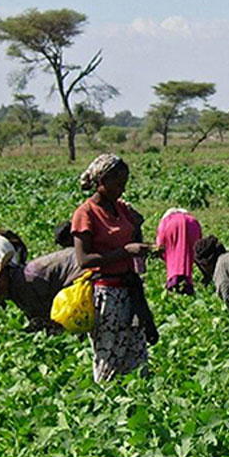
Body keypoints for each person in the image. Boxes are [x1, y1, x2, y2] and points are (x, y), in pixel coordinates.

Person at [70, 154, 156, 381]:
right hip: (106, 294)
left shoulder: (122, 209)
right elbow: (84, 259)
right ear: (102, 182)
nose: (122, 189)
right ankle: (105, 403)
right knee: (108, 355)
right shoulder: (85, 213)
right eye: (118, 183)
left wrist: (139, 229)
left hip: (130, 289)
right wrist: (125, 252)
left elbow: (132, 237)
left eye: (124, 183)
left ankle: (138, 404)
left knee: (137, 353)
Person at [0, 247, 82, 331]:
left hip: (82, 271)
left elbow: (47, 317)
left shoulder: (25, 282)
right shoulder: (15, 283)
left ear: (2, 276)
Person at [156, 208, 202, 294]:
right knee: (187, 253)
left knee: (173, 258)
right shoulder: (192, 220)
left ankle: (173, 283)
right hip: (192, 226)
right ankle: (187, 283)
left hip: (170, 226)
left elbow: (160, 245)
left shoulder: (166, 221)